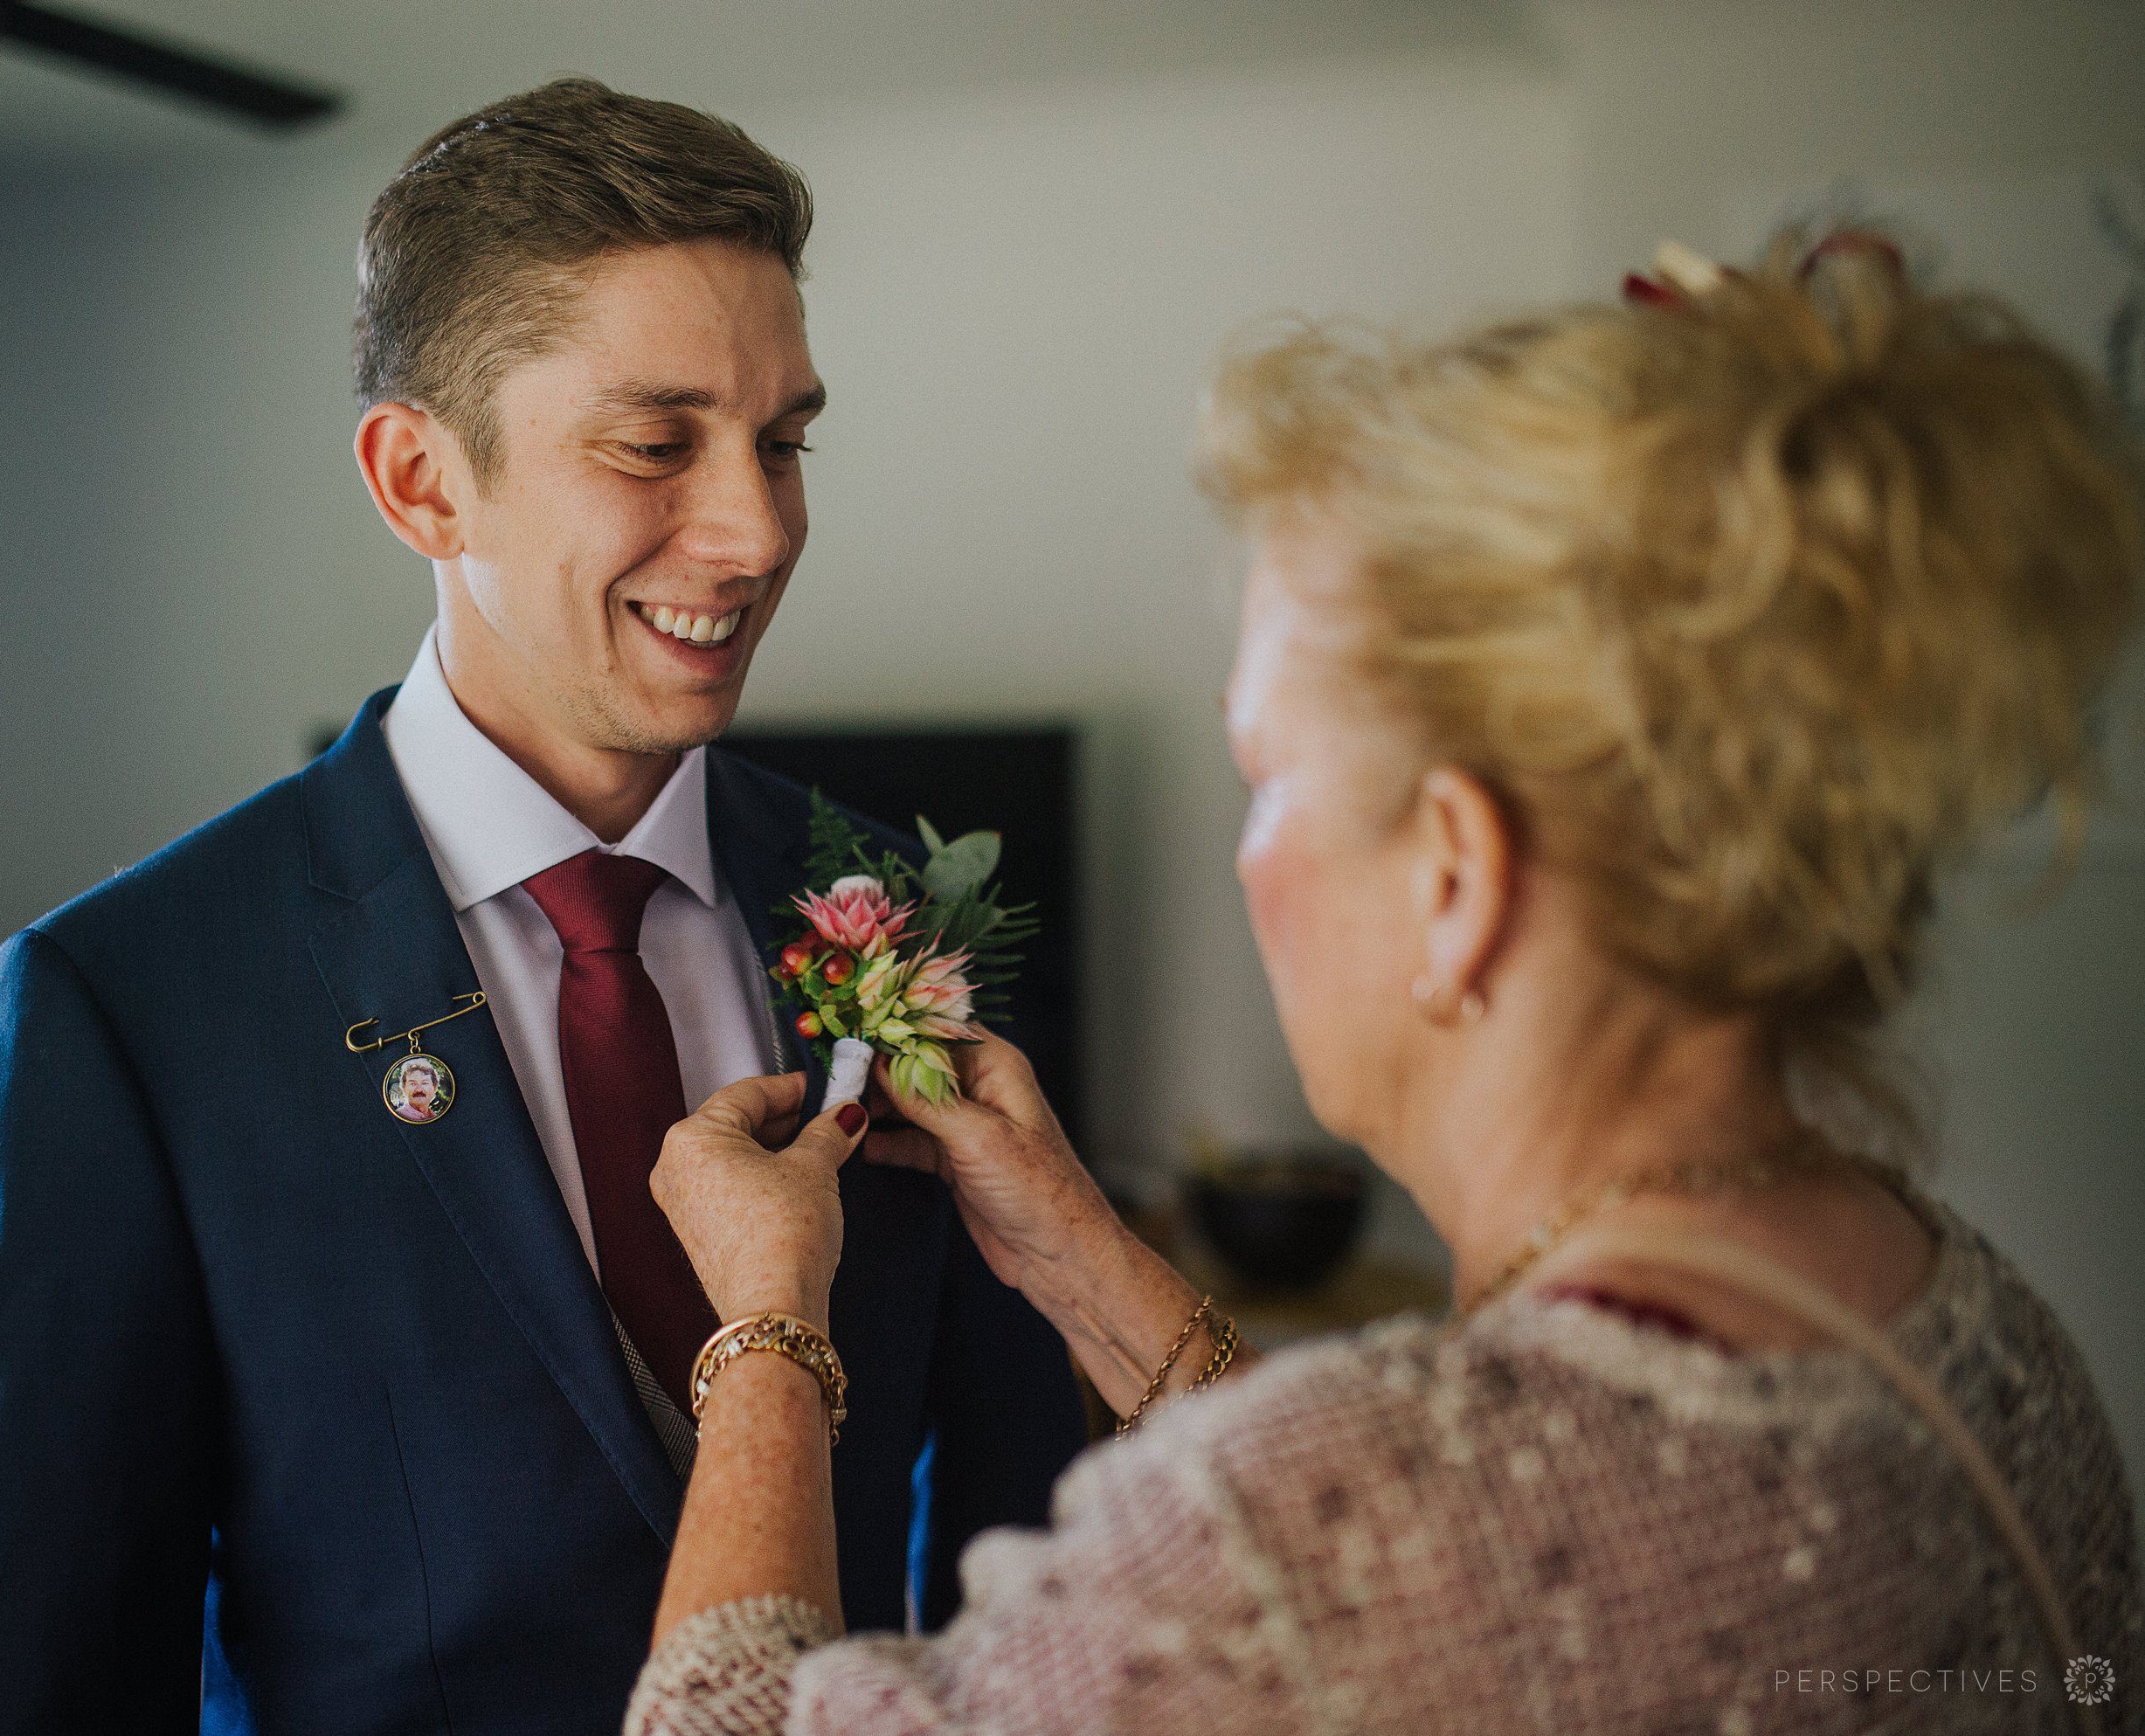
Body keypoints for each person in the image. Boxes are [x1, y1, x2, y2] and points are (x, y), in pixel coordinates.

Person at [622, 235, 2144, 1734]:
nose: (1246, 857)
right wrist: (1080, 1255)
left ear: (1458, 877)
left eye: (1267, 774)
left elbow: (1358, 1570)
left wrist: (767, 1327)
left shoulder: (1289, 1540)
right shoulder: (1973, 1325)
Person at [0, 79, 1084, 1736]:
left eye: (784, 441)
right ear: (422, 482)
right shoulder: (125, 1008)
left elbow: (1010, 1520)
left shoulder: (902, 910)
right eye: (655, 444)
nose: (759, 530)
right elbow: (57, 1678)